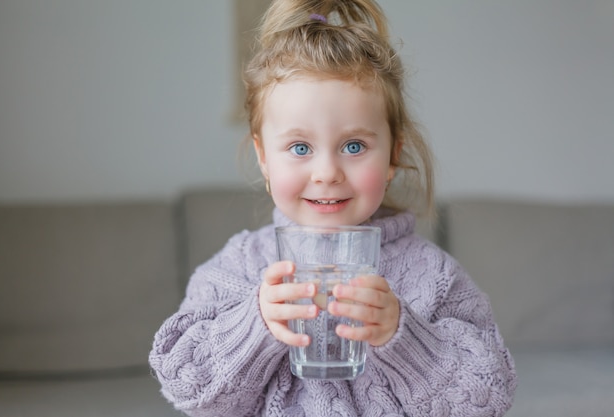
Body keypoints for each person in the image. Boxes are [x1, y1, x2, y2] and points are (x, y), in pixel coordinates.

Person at [149, 0, 517, 415]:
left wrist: (406, 337)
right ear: (264, 157)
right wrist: (254, 326)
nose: (326, 172)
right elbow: (184, 382)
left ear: (393, 156)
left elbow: (489, 397)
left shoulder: (434, 278)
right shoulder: (238, 268)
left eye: (354, 146)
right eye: (300, 147)